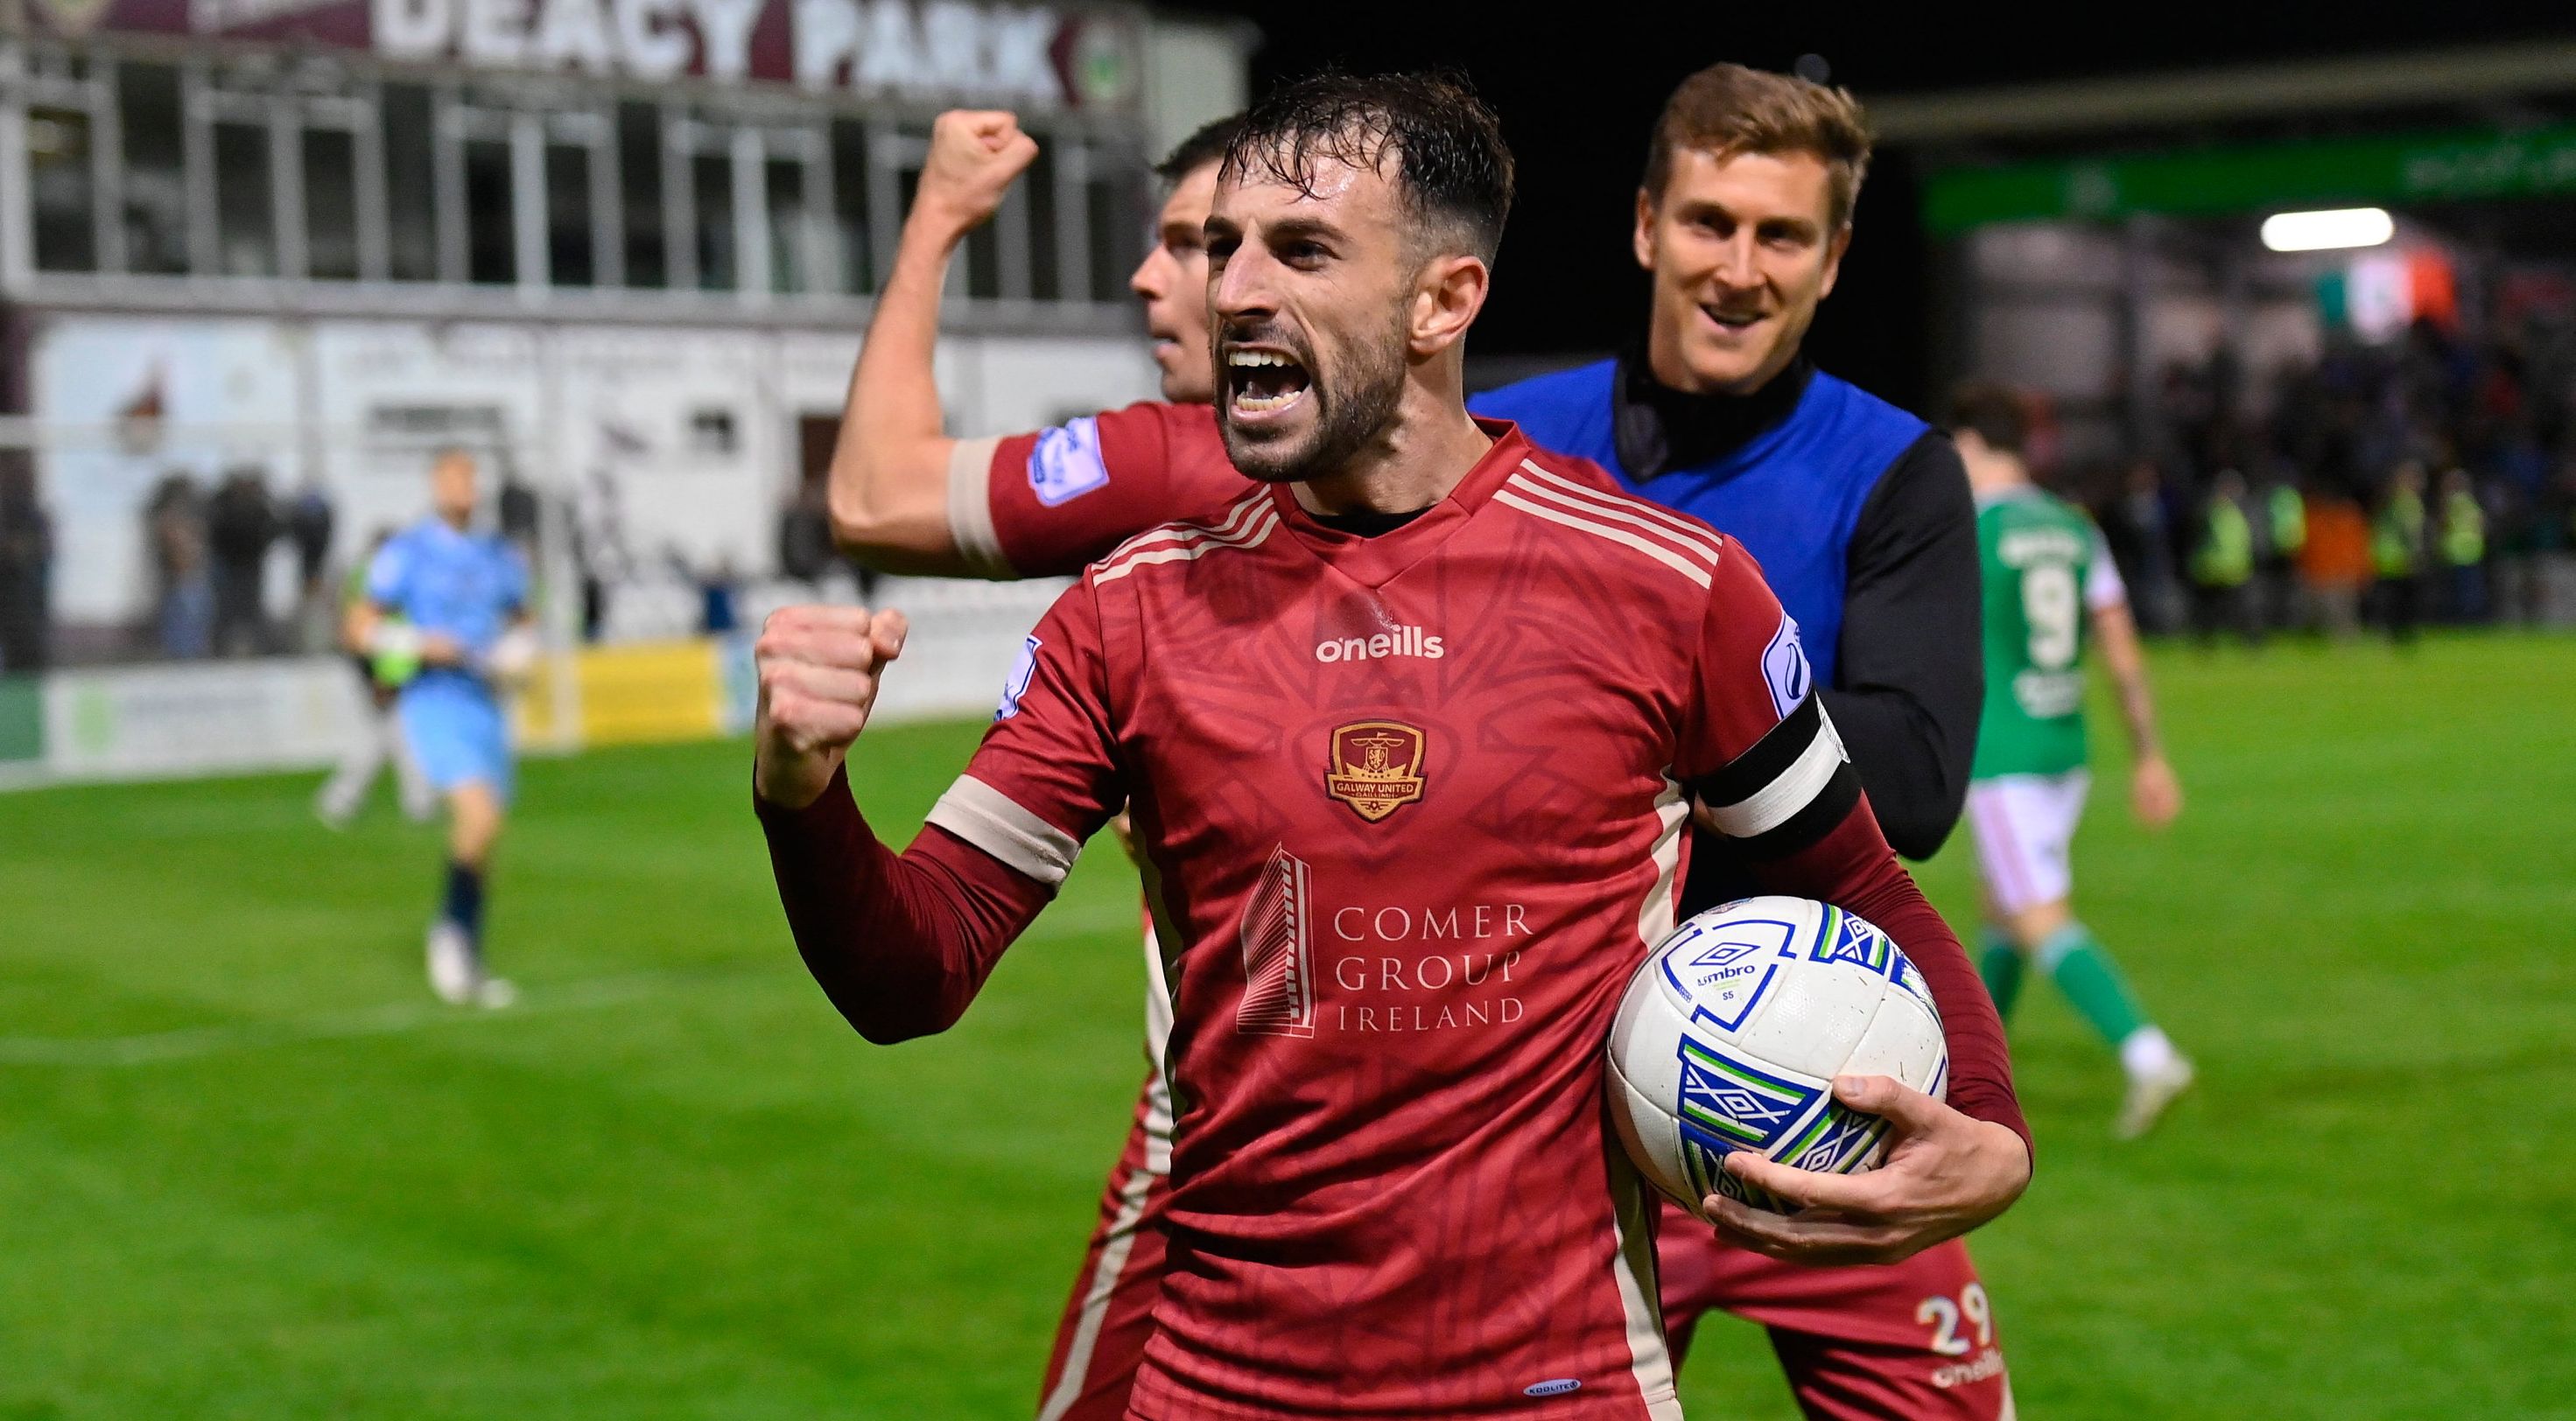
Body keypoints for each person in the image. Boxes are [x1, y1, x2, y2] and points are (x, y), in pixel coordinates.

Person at [762, 72, 2030, 1421]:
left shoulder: (1668, 585)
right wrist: (806, 796)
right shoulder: (1126, 615)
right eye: (1223, 246)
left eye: (1301, 250)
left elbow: (1865, 879)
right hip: (1217, 1388)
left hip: (1561, 1386)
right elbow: (911, 972)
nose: (1233, 290)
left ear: (1442, 302)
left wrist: (1994, 1131)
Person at [1951, 384, 2194, 1139]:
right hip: (2064, 746)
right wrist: (2149, 757)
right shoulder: (2070, 526)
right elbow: (2119, 650)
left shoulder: (1969, 530)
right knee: (2003, 913)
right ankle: (1969, 1076)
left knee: (2036, 916)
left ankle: (2148, 1055)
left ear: (1970, 446)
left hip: (2001, 752)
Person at [347, 449, 537, 1006]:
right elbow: (358, 628)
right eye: (453, 477)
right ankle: (449, 938)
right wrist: (419, 645)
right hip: (433, 700)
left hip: (484, 702)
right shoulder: (407, 552)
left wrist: (516, 654)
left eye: (471, 478)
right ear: (435, 484)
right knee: (477, 817)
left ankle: (468, 950)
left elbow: (523, 619)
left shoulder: (498, 555)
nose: (464, 487)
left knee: (487, 830)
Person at [314, 530, 437, 828]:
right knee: (399, 737)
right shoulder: (373, 580)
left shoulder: (367, 576)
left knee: (388, 737)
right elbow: (361, 631)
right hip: (379, 666)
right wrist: (378, 679)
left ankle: (343, 799)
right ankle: (417, 803)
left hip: (387, 664)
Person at [207, 465, 278, 657]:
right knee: (227, 611)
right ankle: (222, 648)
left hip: (251, 566)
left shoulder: (258, 507)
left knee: (250, 610)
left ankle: (256, 648)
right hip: (229, 566)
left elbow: (273, 527)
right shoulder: (224, 507)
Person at [2186, 469, 2257, 646]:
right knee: (2212, 611)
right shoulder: (2211, 511)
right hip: (2215, 569)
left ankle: (2248, 641)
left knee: (2238, 610)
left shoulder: (2234, 511)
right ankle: (2207, 642)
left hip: (2231, 569)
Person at [2371, 462, 2428, 645]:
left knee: (2393, 602)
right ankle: (2402, 637)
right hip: (2399, 559)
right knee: (2401, 602)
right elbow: (2410, 532)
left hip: (2387, 558)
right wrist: (2416, 554)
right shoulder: (2407, 503)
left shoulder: (2388, 502)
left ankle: (2395, 636)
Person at [2435, 467, 2487, 623]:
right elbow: (2481, 522)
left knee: (2456, 590)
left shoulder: (2451, 501)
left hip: (2455, 551)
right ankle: (2472, 618)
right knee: (2471, 589)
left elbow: (2444, 523)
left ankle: (2459, 619)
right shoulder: (2471, 502)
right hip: (2472, 550)